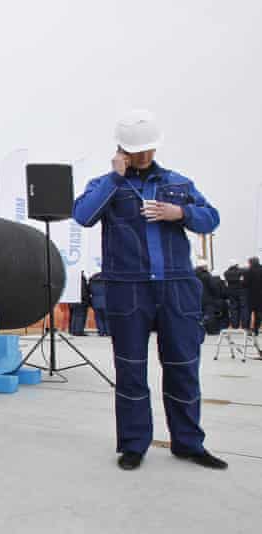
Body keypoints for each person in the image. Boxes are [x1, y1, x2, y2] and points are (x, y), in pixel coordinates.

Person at [73, 109, 227, 471]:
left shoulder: (179, 184)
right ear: (121, 149)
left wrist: (180, 213)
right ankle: (133, 445)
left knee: (183, 368)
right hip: (128, 289)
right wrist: (115, 177)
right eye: (135, 150)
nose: (142, 155)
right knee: (130, 370)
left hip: (177, 286)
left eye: (147, 149)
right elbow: (84, 215)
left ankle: (188, 443)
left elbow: (212, 218)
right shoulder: (105, 184)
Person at [195, 259, 223, 335]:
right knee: (209, 314)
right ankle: (211, 331)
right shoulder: (207, 275)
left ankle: (200, 330)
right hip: (208, 298)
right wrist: (216, 295)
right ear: (204, 267)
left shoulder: (193, 275)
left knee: (200, 315)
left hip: (197, 298)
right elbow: (213, 287)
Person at [223, 260, 248, 329]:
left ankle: (235, 325)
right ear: (236, 265)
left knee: (233, 309)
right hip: (241, 292)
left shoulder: (226, 273)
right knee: (243, 308)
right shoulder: (241, 271)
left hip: (231, 292)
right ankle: (244, 325)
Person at [246, 257, 262, 337]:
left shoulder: (249, 271)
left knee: (248, 312)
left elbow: (245, 283)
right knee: (258, 313)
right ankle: (256, 330)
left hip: (251, 295)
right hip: (260, 295)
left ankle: (248, 329)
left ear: (251, 263)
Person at [89, 272, 109, 336]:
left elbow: (90, 291)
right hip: (105, 302)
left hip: (95, 302)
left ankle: (101, 332)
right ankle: (108, 331)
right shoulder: (106, 282)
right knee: (107, 318)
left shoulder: (92, 282)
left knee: (98, 318)